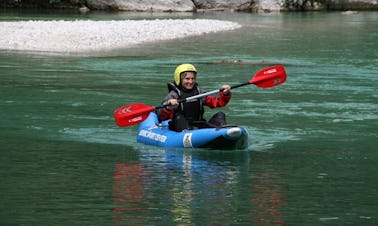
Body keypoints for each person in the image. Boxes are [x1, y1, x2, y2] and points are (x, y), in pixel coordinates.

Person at [156, 63, 232, 132]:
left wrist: (225, 94)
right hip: (181, 127)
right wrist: (169, 108)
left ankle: (222, 132)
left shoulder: (199, 93)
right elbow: (160, 116)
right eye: (187, 79)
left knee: (220, 115)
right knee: (178, 117)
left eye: (193, 79)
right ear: (179, 79)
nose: (191, 82)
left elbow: (218, 102)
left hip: (198, 125)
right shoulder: (173, 95)